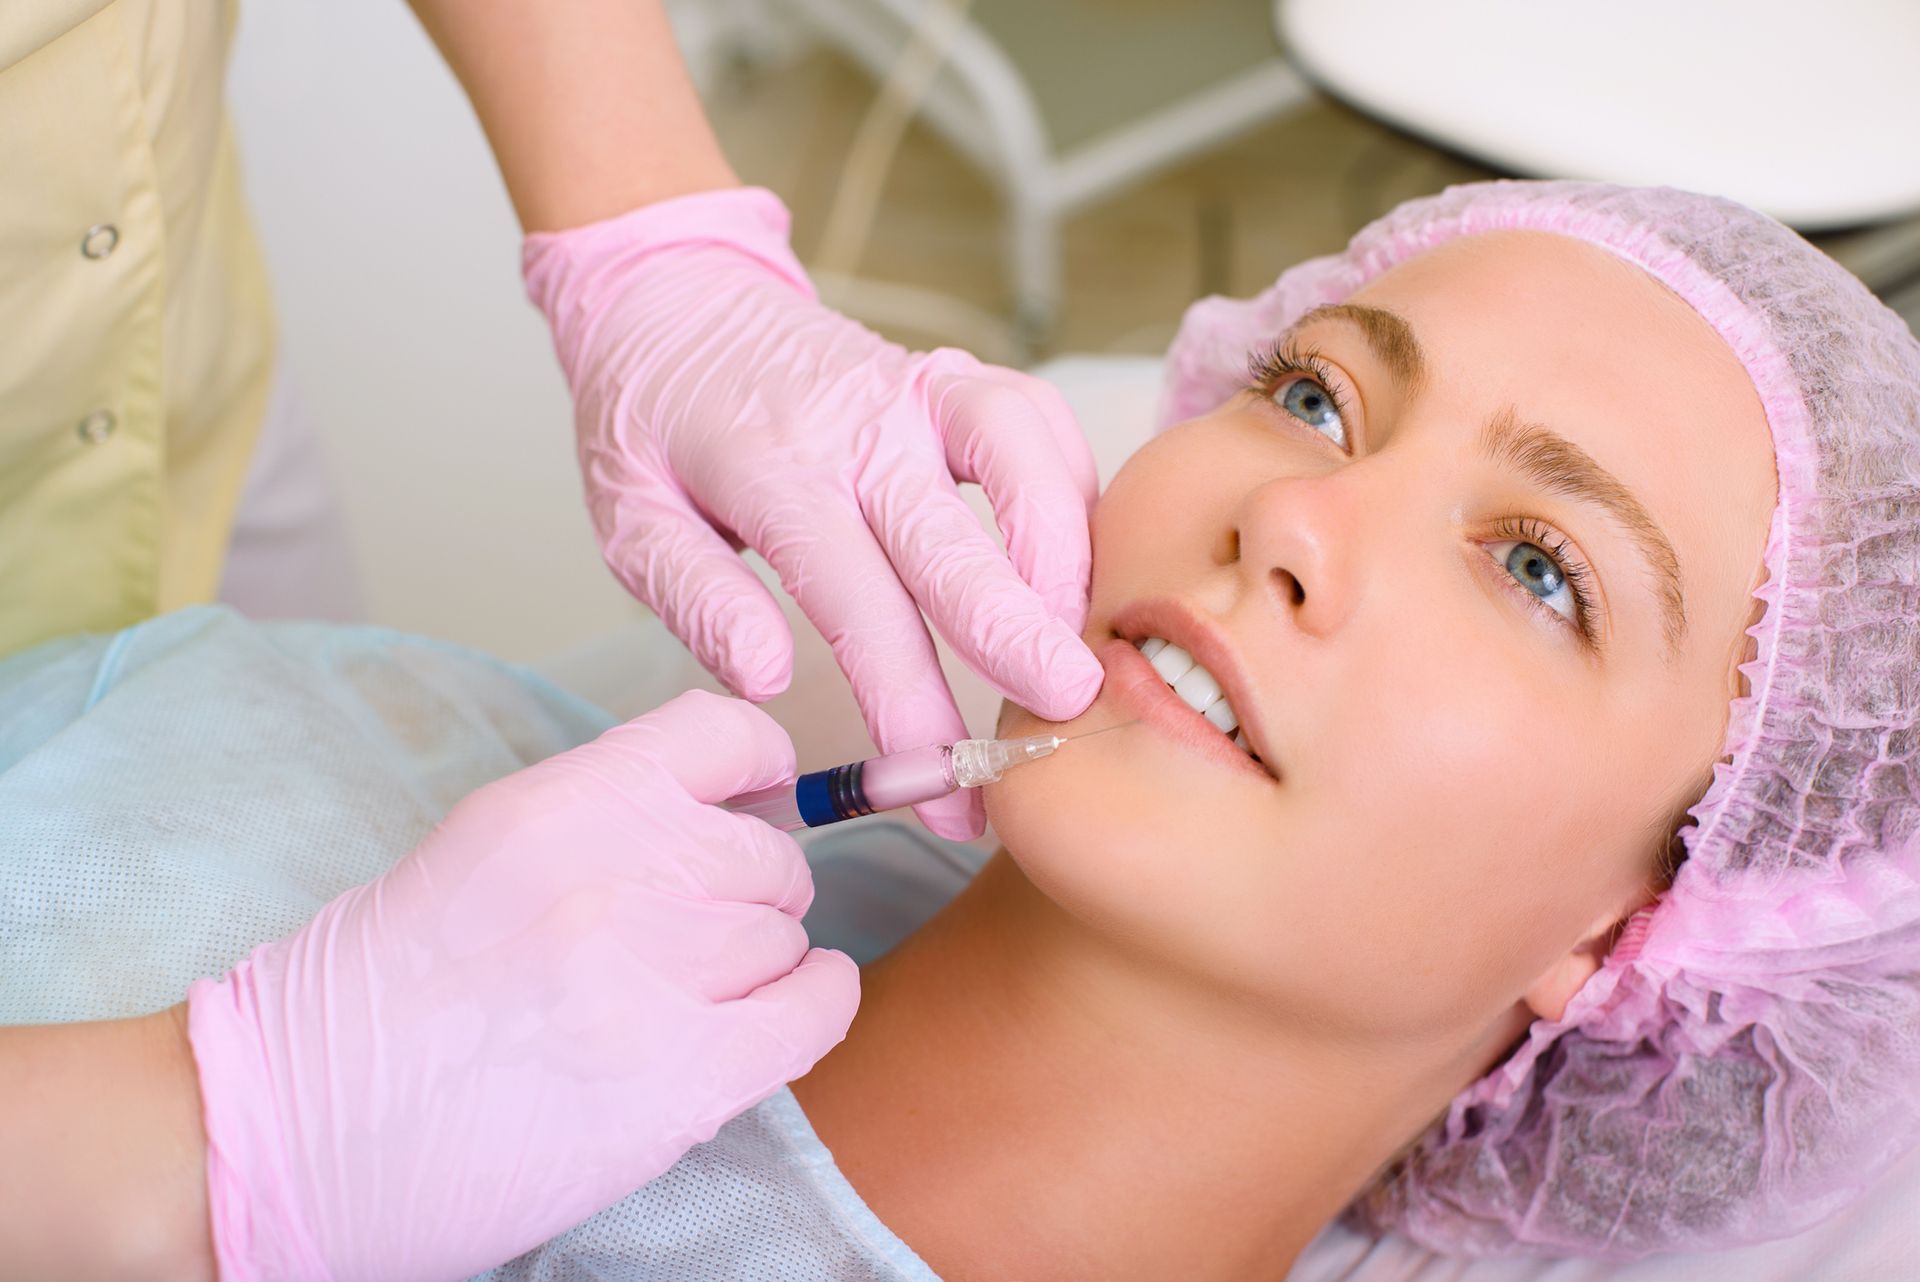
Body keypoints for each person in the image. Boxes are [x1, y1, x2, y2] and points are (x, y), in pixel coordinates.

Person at [462, 181, 1914, 1277]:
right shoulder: (440, 797)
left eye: (1540, 569)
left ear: (1642, 933)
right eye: (1315, 397)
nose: (1294, 513)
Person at [1, 1, 1103, 1276]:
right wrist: (211, 1134)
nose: (1279, 529)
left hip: (134, 349)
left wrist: (652, 235)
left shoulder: (296, 715)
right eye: (1288, 392)